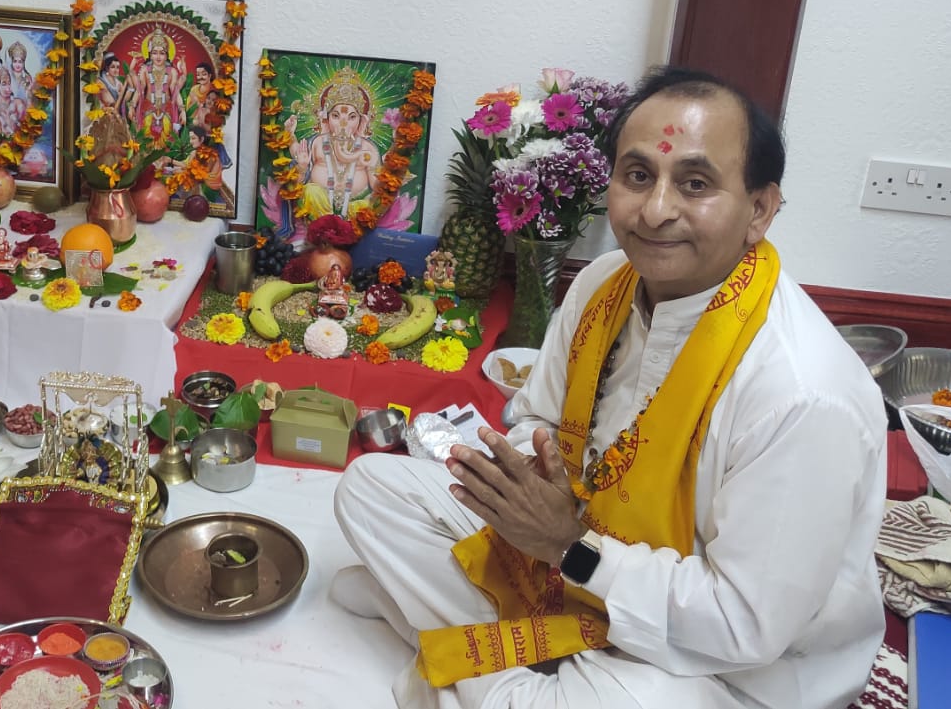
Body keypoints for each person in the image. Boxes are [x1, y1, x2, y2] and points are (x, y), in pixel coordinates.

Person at [332, 67, 886, 709]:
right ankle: (503, 659)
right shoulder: (602, 284)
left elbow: (744, 626)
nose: (656, 210)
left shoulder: (800, 393)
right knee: (371, 489)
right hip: (574, 562)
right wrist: (532, 482)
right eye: (639, 175)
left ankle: (457, 654)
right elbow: (535, 415)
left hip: (730, 667)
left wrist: (571, 547)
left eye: (696, 184)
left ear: (759, 209)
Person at [288, 67, 382, 219]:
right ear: (327, 118)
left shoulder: (367, 148)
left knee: (368, 205)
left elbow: (378, 190)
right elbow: (295, 184)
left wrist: (392, 169)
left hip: (354, 213)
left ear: (361, 121)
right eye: (336, 116)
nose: (343, 124)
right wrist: (302, 167)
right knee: (310, 191)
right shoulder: (318, 143)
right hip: (316, 214)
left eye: (352, 117)